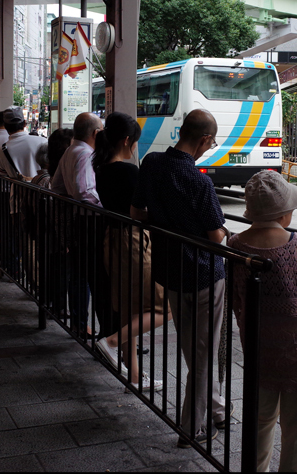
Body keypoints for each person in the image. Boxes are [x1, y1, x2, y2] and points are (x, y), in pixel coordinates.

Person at [131, 108, 228, 448]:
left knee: (196, 346)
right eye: (211, 142)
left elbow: (137, 212)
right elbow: (216, 237)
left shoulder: (152, 163)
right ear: (203, 140)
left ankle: (215, 408)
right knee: (203, 352)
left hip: (169, 268)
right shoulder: (199, 181)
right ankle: (192, 427)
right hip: (204, 274)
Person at [228, 170, 297, 472]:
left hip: (257, 348)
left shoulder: (236, 244)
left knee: (260, 420)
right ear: (284, 214)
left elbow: (237, 297)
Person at [93, 112, 172, 394]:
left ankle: (135, 378)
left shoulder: (101, 168)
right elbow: (144, 209)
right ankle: (111, 342)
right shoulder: (128, 171)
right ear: (127, 140)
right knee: (166, 307)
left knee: (128, 309)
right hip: (134, 241)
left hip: (111, 240)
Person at [51, 112, 117, 339]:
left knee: (79, 275)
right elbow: (83, 191)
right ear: (96, 133)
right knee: (93, 277)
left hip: (77, 221)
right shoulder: (86, 155)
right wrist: (105, 205)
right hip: (90, 222)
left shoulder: (70, 151)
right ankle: (100, 330)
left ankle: (79, 323)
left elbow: (56, 185)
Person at [0, 107, 48, 283]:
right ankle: (48, 283)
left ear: (5, 126)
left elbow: (1, 171)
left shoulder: (1, 150)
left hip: (19, 203)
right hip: (45, 199)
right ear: (24, 124)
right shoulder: (41, 141)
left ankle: (35, 283)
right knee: (46, 243)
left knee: (27, 244)